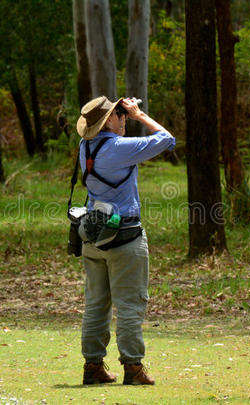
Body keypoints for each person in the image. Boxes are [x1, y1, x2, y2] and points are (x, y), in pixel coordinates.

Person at [76, 96, 175, 385]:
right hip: (125, 237)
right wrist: (140, 114)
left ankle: (93, 367)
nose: (124, 117)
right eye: (120, 114)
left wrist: (124, 116)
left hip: (93, 236)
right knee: (130, 305)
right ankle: (133, 369)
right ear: (109, 120)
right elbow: (167, 139)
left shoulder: (86, 146)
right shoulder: (118, 149)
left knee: (96, 304)